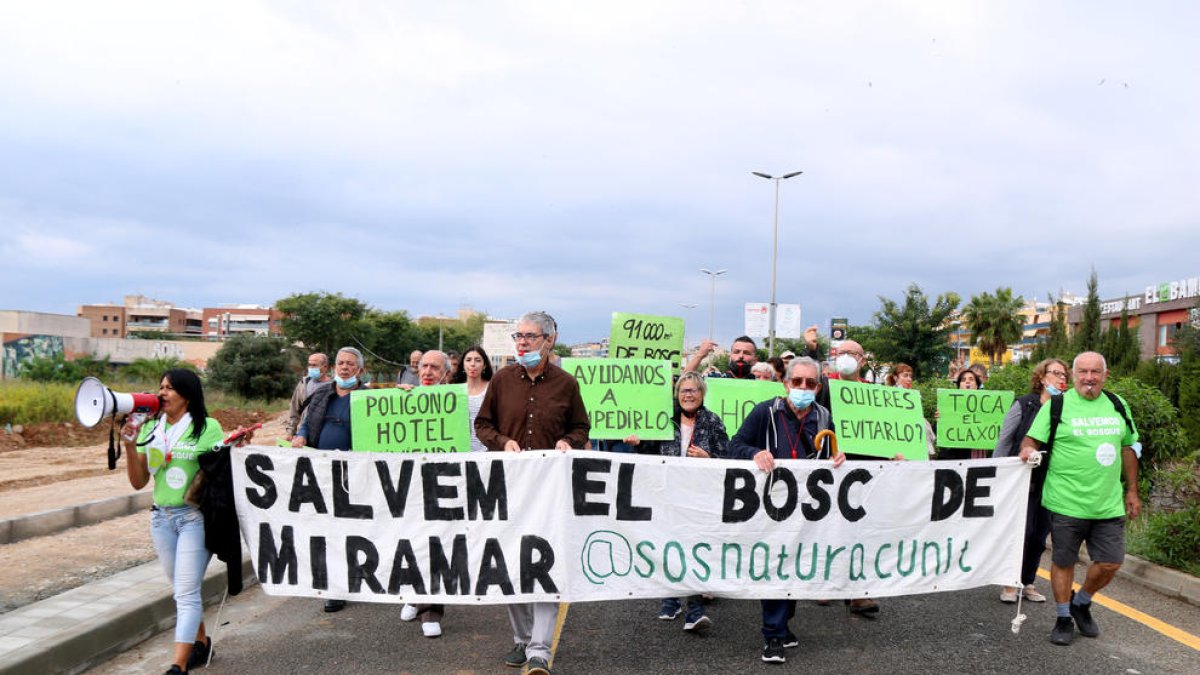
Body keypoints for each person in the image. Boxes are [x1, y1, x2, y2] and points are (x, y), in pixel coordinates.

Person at [475, 311, 589, 675]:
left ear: (549, 340)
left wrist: (567, 442)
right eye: (517, 336)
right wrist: (502, 441)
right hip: (507, 487)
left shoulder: (567, 384)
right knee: (510, 564)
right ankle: (522, 639)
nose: (521, 342)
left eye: (529, 336)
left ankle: (540, 647)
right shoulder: (503, 380)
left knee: (545, 563)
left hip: (550, 491)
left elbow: (580, 427)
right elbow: (483, 425)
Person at [727, 357, 845, 664]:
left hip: (806, 507)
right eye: (797, 382)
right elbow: (734, 445)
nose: (803, 388)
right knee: (776, 566)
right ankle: (774, 636)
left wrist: (837, 457)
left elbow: (829, 451)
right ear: (786, 384)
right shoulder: (764, 412)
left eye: (810, 383)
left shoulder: (822, 415)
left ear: (818, 387)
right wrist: (755, 453)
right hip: (770, 506)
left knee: (794, 566)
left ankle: (783, 625)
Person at [1019, 352, 1139, 647]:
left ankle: (1081, 602)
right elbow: (1031, 439)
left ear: (1105, 375)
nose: (1089, 378)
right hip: (1065, 501)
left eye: (1095, 372)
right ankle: (1063, 617)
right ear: (1073, 376)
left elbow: (1128, 447)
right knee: (1063, 561)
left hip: (1107, 503)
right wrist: (1026, 451)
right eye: (1083, 372)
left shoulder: (1117, 404)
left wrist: (1132, 490)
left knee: (1111, 562)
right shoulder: (1057, 405)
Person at [121, 369, 227, 674]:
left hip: (194, 518)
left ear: (187, 394)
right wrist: (130, 445)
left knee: (185, 591)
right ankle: (201, 644)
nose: (162, 393)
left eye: (170, 388)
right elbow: (139, 481)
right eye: (161, 387)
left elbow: (221, 470)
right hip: (161, 519)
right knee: (183, 589)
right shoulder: (151, 428)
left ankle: (177, 667)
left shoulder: (207, 427)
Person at [630, 371, 729, 632]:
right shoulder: (665, 419)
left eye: (694, 390)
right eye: (684, 390)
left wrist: (709, 458)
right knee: (669, 545)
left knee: (694, 548)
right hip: (668, 494)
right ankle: (670, 598)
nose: (688, 394)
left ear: (702, 394)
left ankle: (695, 610)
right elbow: (650, 451)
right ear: (677, 394)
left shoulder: (713, 422)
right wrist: (639, 444)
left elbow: (728, 457)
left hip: (699, 497)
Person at [291, 347, 370, 612]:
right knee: (328, 528)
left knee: (351, 528)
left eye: (350, 364)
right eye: (340, 363)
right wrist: (301, 435)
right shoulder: (322, 393)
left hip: (355, 473)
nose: (344, 368)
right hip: (322, 471)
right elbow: (307, 423)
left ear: (359, 370)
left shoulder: (369, 397)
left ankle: (357, 574)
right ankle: (335, 587)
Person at [993, 358, 1068, 604]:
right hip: (1021, 480)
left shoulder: (1065, 408)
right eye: (1054, 373)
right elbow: (1005, 440)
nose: (1060, 378)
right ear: (1041, 377)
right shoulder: (1024, 405)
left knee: (1038, 536)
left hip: (1051, 481)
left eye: (1063, 374)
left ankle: (1028, 581)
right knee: (1020, 533)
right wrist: (998, 474)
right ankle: (1010, 582)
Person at [397, 350, 456, 636]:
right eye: (424, 367)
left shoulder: (454, 401)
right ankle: (412, 593)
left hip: (441, 483)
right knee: (409, 542)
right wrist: (398, 400)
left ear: (446, 373)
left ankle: (431, 610)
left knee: (435, 545)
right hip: (406, 485)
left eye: (435, 367)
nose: (428, 372)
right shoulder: (403, 397)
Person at [936, 369, 988, 460]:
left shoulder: (986, 407)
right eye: (963, 380)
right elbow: (939, 435)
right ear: (959, 386)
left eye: (971, 379)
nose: (967, 381)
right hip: (951, 458)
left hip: (973, 458)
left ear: (977, 386)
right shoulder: (948, 405)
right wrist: (939, 420)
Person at [453, 345, 494, 452]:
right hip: (459, 452)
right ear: (463, 364)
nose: (472, 364)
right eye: (468, 360)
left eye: (478, 360)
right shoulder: (453, 391)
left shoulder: (492, 389)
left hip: (488, 451)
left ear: (484, 365)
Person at [284, 352, 330, 440]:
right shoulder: (303, 384)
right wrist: (290, 432)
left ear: (325, 367)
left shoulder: (333, 386)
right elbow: (294, 410)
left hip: (322, 434)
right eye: (310, 365)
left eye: (315, 365)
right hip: (302, 434)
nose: (311, 368)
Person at [684, 335, 759, 378]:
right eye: (736, 352)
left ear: (755, 360)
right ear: (729, 356)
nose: (741, 356)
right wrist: (700, 355)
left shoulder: (761, 382)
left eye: (746, 353)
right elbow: (684, 381)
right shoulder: (714, 378)